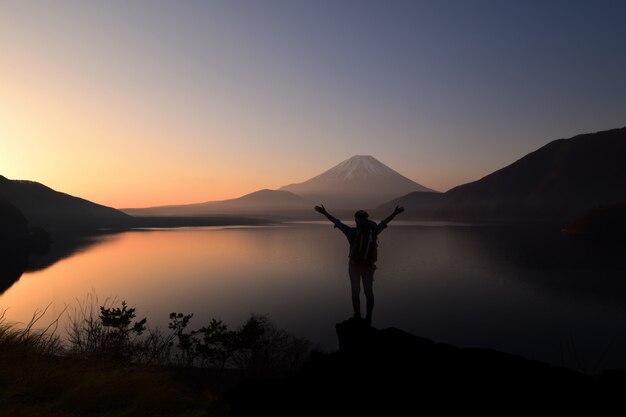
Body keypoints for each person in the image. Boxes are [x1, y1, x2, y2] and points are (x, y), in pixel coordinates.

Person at [314, 204, 405, 324]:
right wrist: (395, 213)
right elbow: (384, 222)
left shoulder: (351, 232)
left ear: (356, 220)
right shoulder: (374, 231)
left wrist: (324, 212)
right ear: (367, 219)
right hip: (368, 266)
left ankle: (357, 316)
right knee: (369, 292)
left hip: (354, 266)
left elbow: (337, 222)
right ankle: (369, 318)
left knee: (355, 292)